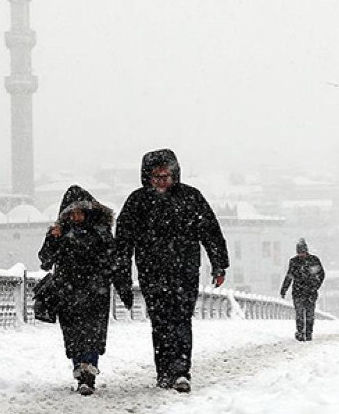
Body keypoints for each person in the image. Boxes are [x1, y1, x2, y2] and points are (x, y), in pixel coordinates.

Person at [115, 149, 229, 393]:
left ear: (174, 174)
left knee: (181, 320)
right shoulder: (137, 202)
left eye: (166, 176)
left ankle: (180, 371)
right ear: (147, 177)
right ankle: (164, 371)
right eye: (156, 177)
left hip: (184, 271)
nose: (161, 181)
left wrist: (219, 264)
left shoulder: (190, 197)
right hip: (152, 272)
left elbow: (210, 231)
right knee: (160, 322)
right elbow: (122, 243)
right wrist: (122, 276)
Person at [38, 185, 134, 396]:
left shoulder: (101, 234)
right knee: (74, 335)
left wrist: (123, 287)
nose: (77, 216)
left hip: (94, 292)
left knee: (92, 333)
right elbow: (45, 261)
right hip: (69, 292)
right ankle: (81, 370)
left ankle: (87, 372)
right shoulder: (61, 234)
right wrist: (52, 239)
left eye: (80, 211)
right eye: (73, 212)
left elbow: (115, 262)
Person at [280, 238, 325, 341]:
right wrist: (284, 289)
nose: (301, 255)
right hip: (298, 292)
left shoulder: (314, 260)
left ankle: (308, 333)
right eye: (300, 253)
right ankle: (300, 332)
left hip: (310, 292)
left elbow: (321, 274)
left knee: (309, 314)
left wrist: (315, 286)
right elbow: (289, 276)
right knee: (299, 314)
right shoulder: (294, 262)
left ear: (306, 251)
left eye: (303, 252)